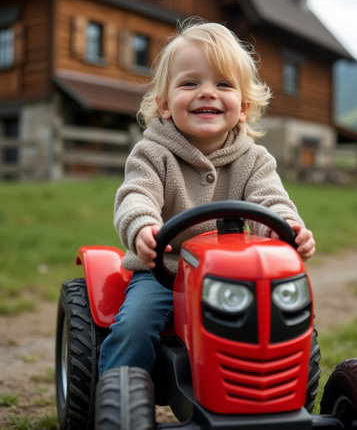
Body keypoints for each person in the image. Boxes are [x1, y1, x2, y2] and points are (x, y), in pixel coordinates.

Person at [98, 19, 316, 376]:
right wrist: (143, 227)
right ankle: (116, 396)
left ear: (243, 107)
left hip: (234, 277)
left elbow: (270, 200)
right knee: (133, 328)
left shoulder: (254, 160)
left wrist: (286, 229)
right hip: (163, 273)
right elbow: (136, 194)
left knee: (287, 322)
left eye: (223, 84)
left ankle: (283, 397)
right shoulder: (151, 154)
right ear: (165, 104)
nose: (207, 92)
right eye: (190, 83)